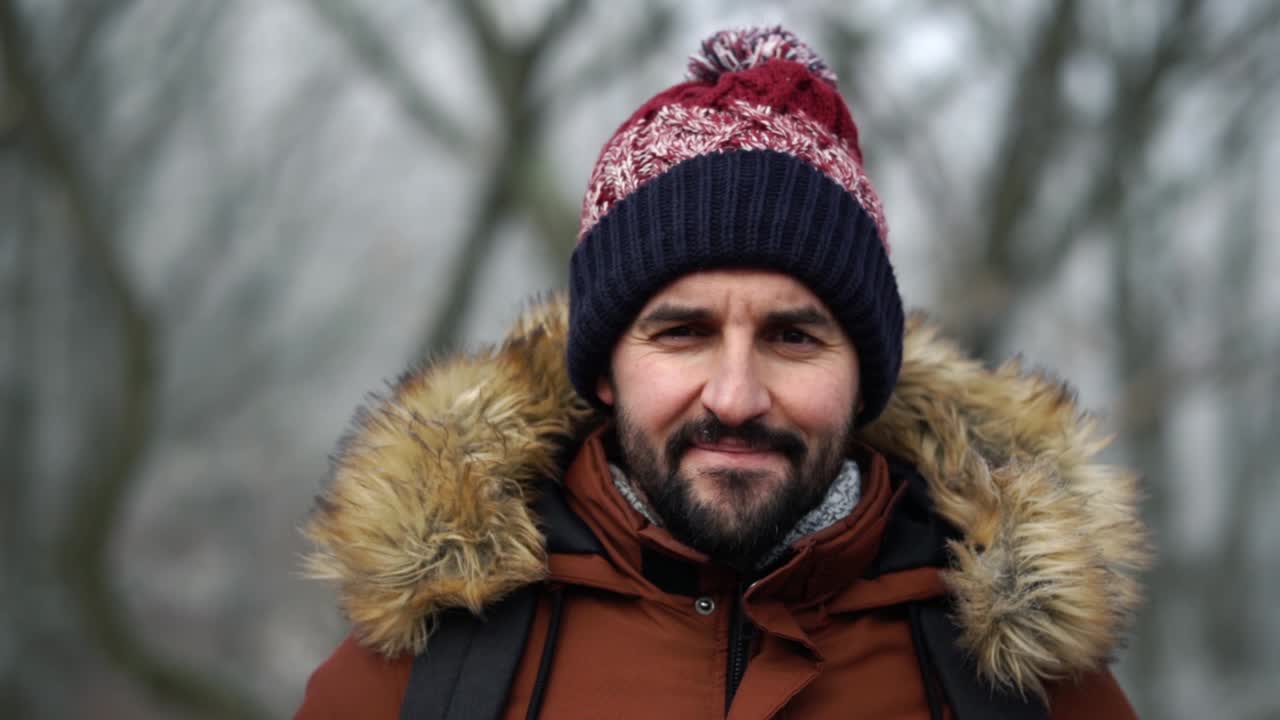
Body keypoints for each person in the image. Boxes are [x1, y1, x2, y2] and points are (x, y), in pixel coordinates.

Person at [295, 26, 1149, 720]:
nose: (735, 397)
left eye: (792, 338)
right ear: (602, 371)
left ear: (865, 380)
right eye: (683, 333)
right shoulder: (421, 674)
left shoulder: (1026, 683)